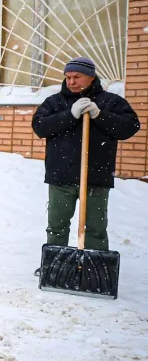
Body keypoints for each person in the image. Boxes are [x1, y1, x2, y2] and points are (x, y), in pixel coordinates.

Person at [31, 57, 140, 274]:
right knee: (57, 226)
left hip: (96, 178)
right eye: (68, 77)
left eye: (76, 77)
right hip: (61, 176)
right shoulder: (55, 102)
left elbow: (130, 127)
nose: (70, 81)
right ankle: (54, 266)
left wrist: (100, 114)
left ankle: (95, 269)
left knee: (96, 228)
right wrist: (69, 115)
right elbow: (40, 127)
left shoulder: (111, 102)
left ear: (91, 77)